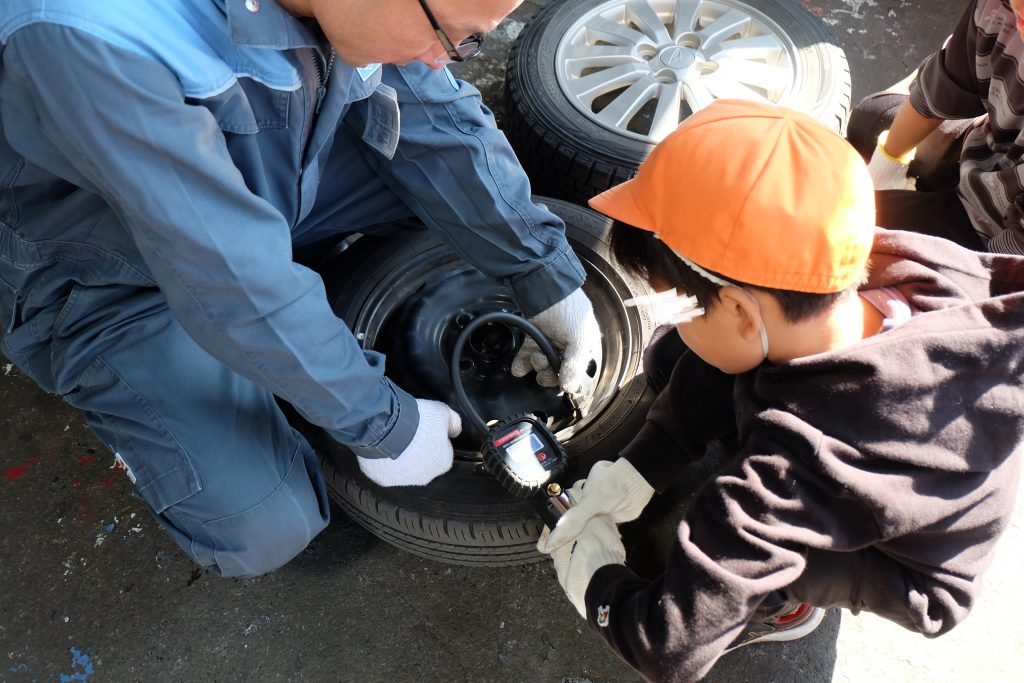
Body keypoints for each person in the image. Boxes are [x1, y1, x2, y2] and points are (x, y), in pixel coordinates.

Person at [0, 0, 601, 578]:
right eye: (452, 37)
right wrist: (377, 420)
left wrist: (539, 272)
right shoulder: (91, 32)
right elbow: (223, 271)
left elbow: (433, 118)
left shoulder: (365, 12)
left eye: (473, 40)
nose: (447, 58)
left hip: (258, 176)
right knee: (263, 526)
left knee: (447, 191)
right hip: (111, 270)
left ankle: (293, 346)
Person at [536, 99, 1024, 682]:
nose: (671, 317)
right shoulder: (901, 260)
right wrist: (640, 465)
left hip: (916, 576)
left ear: (742, 310)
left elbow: (666, 647)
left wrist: (598, 583)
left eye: (679, 304)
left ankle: (784, 604)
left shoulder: (794, 472)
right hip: (907, 429)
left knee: (742, 555)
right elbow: (721, 355)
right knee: (677, 355)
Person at [850, 0, 1024, 255]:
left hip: (993, 236)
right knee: (867, 117)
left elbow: (1004, 270)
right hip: (985, 154)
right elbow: (938, 89)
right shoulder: (1001, 9)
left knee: (846, 230)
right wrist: (884, 167)